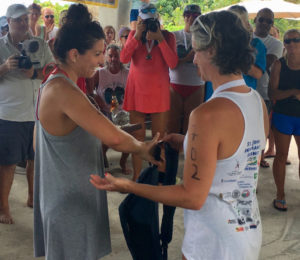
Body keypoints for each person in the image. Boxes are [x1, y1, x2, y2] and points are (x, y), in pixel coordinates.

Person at [91, 11, 269, 260]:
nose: (193, 60)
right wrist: (189, 141)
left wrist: (131, 186)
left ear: (213, 51)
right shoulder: (257, 102)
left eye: (197, 51)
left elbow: (191, 196)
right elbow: (234, 155)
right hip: (247, 234)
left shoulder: (206, 115)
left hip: (212, 240)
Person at [33, 4, 159, 259]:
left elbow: (39, 146)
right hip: (69, 201)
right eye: (97, 54)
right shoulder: (62, 90)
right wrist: (141, 148)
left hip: (68, 194)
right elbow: (112, 137)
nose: (102, 60)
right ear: (74, 54)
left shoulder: (58, 83)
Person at [0, 4, 54, 224]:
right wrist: (4, 68)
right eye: (18, 20)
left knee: (35, 160)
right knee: (7, 163)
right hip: (9, 113)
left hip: (38, 111)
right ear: (8, 22)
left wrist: (34, 73)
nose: (23, 24)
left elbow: (52, 71)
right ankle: (3, 207)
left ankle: (32, 197)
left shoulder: (40, 44)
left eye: (25, 19)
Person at [120, 3, 178, 181]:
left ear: (158, 19)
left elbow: (173, 64)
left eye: (152, 21)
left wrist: (160, 39)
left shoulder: (168, 36)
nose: (149, 25)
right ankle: (137, 178)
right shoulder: (134, 35)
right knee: (137, 139)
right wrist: (137, 35)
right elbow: (124, 58)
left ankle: (157, 177)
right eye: (145, 22)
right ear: (139, 21)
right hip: (136, 91)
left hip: (159, 93)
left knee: (158, 139)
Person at [269, 29, 300, 211]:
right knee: (281, 156)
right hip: (283, 116)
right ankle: (280, 194)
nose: (292, 44)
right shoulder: (279, 65)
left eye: (296, 40)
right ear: (284, 43)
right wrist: (294, 93)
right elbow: (272, 93)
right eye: (288, 41)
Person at [168, 4, 205, 135]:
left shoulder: (204, 38)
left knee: (191, 124)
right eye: (188, 15)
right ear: (184, 17)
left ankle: (187, 153)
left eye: (195, 16)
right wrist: (187, 59)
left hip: (196, 85)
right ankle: (171, 153)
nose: (191, 18)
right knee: (172, 123)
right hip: (175, 83)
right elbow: (170, 62)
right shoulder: (173, 36)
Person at [253, 8, 284, 168]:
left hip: (263, 93)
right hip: (243, 92)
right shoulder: (244, 38)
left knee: (261, 132)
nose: (265, 23)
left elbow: (264, 64)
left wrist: (243, 57)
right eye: (262, 19)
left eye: (269, 21)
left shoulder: (276, 44)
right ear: (255, 20)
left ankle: (257, 163)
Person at [95, 44, 131, 174]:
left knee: (128, 138)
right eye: (110, 56)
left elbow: (133, 92)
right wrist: (99, 103)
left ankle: (123, 162)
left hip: (123, 113)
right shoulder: (100, 73)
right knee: (105, 139)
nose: (113, 59)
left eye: (116, 56)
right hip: (105, 112)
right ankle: (102, 157)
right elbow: (90, 92)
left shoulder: (128, 73)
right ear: (106, 57)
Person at [229, 5, 266, 90]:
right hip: (215, 93)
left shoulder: (256, 44)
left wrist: (233, 51)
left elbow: (257, 74)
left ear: (246, 24)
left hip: (242, 93)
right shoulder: (216, 42)